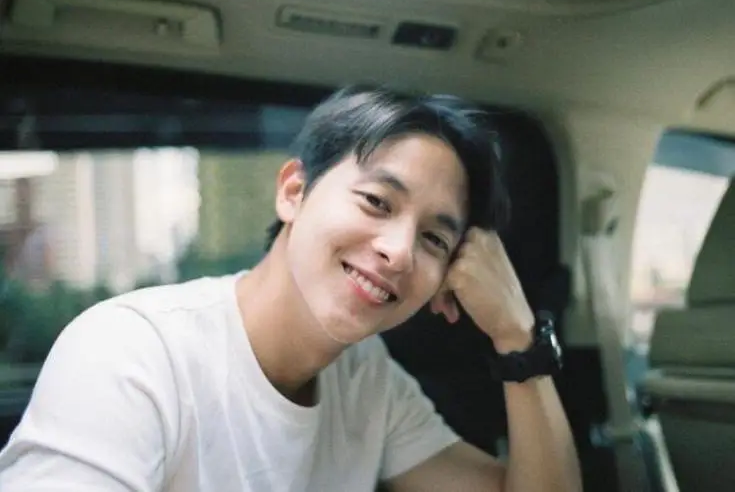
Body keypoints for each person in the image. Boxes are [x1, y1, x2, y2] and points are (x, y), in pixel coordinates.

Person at [0, 85, 582, 492]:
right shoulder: (132, 354)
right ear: (293, 192)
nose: (400, 250)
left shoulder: (365, 378)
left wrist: (516, 332)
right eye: (377, 202)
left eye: (434, 239)